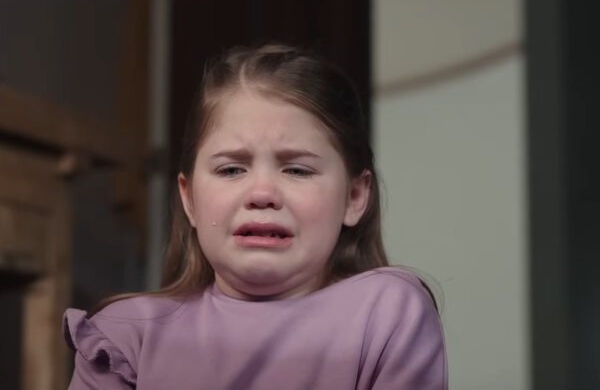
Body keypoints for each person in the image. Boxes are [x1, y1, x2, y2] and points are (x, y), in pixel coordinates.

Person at [63, 44, 447, 389]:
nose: (262, 194)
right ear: (190, 199)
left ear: (354, 196)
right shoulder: (125, 337)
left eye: (297, 170)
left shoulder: (387, 313)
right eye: (231, 169)